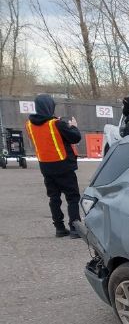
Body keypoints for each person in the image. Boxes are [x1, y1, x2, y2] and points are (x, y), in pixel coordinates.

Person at [25, 93, 83, 238]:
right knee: (72, 197)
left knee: (54, 198)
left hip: (45, 166)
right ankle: (75, 228)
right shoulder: (56, 124)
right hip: (63, 165)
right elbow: (75, 138)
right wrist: (73, 127)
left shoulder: (29, 125)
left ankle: (59, 227)